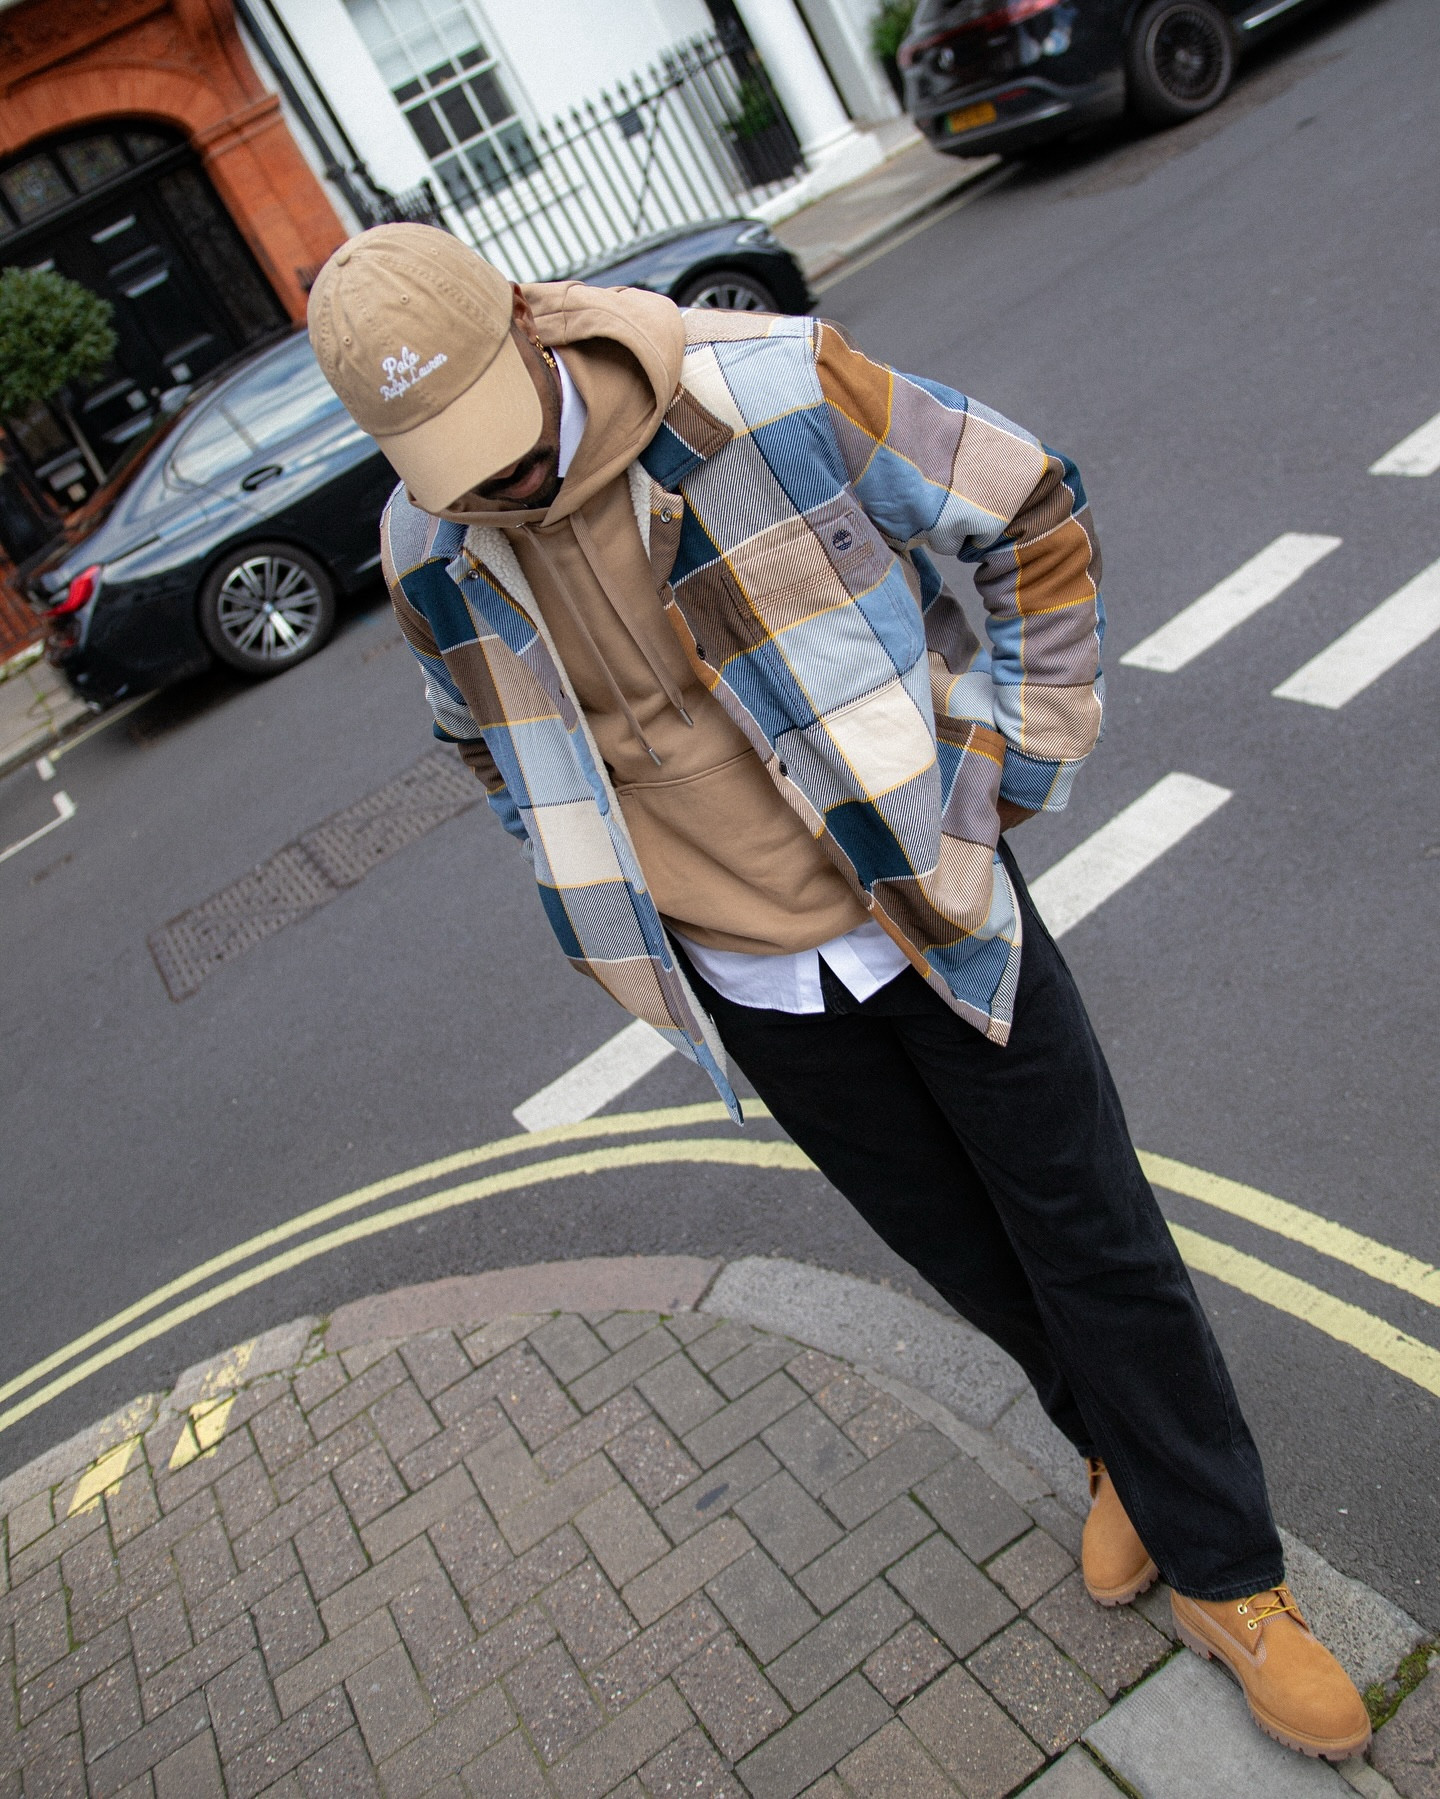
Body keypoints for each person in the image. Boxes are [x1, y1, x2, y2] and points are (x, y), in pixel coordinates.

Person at [308, 222, 1370, 1762]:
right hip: (745, 981)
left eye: (491, 434)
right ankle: (1116, 1461)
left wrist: (1007, 771)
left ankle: (1234, 1579)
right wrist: (568, 842)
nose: (494, 488)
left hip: (923, 902)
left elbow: (1026, 509)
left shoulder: (768, 389)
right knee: (965, 1251)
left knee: (1092, 1237)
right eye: (439, 463)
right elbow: (468, 730)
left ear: (532, 325)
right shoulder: (426, 548)